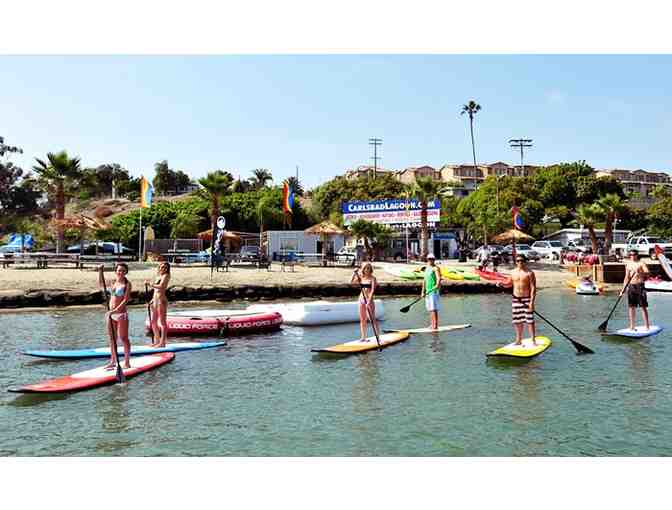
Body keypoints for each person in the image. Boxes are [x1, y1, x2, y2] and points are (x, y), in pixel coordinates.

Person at [98, 263, 132, 369]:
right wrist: (100, 271)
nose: (121, 272)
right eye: (119, 270)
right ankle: (113, 361)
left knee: (124, 338)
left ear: (126, 272)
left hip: (121, 314)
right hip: (111, 314)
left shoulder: (127, 284)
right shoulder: (113, 282)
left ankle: (127, 362)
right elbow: (101, 284)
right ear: (116, 271)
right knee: (112, 339)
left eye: (123, 270)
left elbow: (125, 300)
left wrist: (115, 310)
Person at [499, 254, 537, 345]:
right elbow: (509, 284)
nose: (520, 262)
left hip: (527, 299)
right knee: (517, 320)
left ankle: (533, 340)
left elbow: (533, 288)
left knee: (530, 320)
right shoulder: (512, 272)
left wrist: (532, 302)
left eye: (522, 260)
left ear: (525, 261)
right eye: (518, 261)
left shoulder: (529, 273)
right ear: (516, 262)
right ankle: (519, 339)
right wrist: (502, 284)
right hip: (516, 299)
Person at [620, 249, 650, 330]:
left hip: (640, 286)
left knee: (643, 306)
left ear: (637, 255)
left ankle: (647, 326)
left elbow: (647, 273)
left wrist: (640, 272)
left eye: (634, 254)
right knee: (631, 307)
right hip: (631, 287)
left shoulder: (641, 263)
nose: (632, 256)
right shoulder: (628, 265)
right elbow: (626, 278)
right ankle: (632, 326)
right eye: (630, 255)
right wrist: (623, 289)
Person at [351, 262, 381, 341]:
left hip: (369, 300)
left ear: (371, 269)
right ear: (363, 269)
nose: (367, 270)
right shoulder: (361, 277)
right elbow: (352, 282)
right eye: (365, 268)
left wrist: (369, 301)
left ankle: (378, 336)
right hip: (361, 299)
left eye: (368, 268)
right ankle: (363, 337)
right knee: (362, 319)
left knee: (372, 319)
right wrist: (354, 273)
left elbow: (372, 290)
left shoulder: (373, 278)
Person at [145, 261, 171, 347]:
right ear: (159, 267)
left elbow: (161, 286)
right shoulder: (158, 276)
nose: (163, 269)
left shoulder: (166, 276)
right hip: (155, 300)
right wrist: (151, 300)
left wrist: (150, 284)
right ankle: (157, 340)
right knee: (153, 321)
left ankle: (163, 342)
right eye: (162, 267)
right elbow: (155, 290)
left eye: (165, 267)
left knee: (162, 322)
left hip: (161, 300)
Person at [421, 253, 442, 330]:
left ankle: (435, 325)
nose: (431, 260)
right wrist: (422, 292)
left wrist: (437, 285)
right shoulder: (426, 269)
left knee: (433, 308)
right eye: (429, 259)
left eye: (432, 259)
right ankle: (432, 324)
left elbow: (438, 278)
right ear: (427, 259)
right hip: (428, 291)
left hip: (433, 291)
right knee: (430, 309)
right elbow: (424, 281)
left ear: (434, 260)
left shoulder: (435, 268)